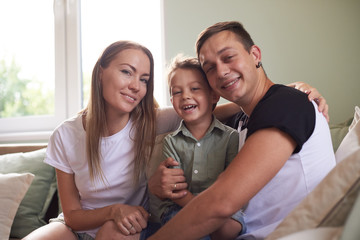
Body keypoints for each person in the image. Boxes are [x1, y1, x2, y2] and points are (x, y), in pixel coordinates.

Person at [148, 21, 336, 240]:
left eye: (228, 57)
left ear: (255, 54)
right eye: (209, 67)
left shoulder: (287, 104)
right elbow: (186, 118)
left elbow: (220, 203)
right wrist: (153, 184)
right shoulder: (240, 121)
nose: (221, 71)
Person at [23, 40, 158, 240]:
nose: (136, 86)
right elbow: (72, 217)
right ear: (101, 72)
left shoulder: (152, 122)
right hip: (78, 225)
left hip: (126, 227)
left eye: (144, 79)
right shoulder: (65, 134)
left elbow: (204, 111)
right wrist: (114, 210)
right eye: (127, 72)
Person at [159, 55, 245, 240]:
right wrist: (203, 213)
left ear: (214, 95)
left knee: (230, 228)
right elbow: (175, 190)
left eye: (195, 88)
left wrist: (212, 214)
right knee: (187, 227)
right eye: (176, 92)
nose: (186, 96)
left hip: (221, 205)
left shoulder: (231, 138)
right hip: (180, 207)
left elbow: (231, 185)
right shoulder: (171, 141)